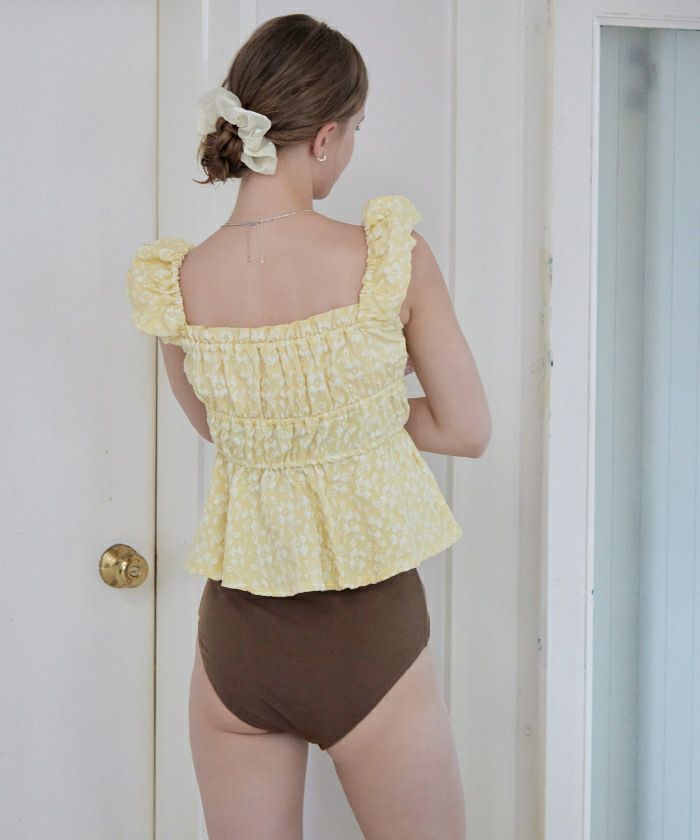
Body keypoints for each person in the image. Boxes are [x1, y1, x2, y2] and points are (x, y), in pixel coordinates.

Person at [125, 12, 490, 840]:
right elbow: (466, 428)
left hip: (236, 643)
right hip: (368, 635)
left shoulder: (176, 282)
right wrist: (358, 414)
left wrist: (312, 418)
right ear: (325, 137)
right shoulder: (390, 257)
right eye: (354, 130)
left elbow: (220, 429)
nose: (351, 148)